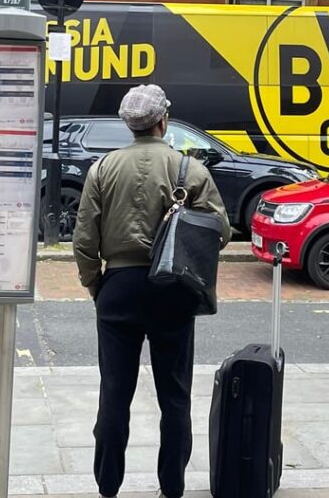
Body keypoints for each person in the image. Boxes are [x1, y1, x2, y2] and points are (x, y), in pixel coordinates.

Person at [73, 84, 230, 498]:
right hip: (172, 288)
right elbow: (220, 232)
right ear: (164, 121)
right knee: (174, 395)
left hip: (118, 286)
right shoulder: (190, 170)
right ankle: (171, 486)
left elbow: (84, 240)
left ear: (130, 124)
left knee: (114, 393)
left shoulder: (102, 168)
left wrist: (96, 285)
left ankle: (108, 485)